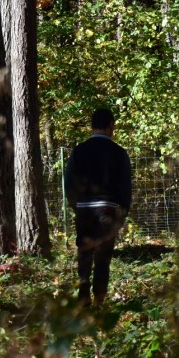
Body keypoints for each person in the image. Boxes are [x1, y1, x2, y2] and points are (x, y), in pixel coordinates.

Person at [64, 108, 132, 306]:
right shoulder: (119, 153)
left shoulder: (79, 151)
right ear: (110, 125)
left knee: (84, 253)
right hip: (108, 209)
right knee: (103, 256)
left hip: (84, 208)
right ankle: (99, 301)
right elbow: (125, 186)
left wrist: (76, 206)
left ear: (92, 126)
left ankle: (83, 297)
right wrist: (122, 211)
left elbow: (69, 184)